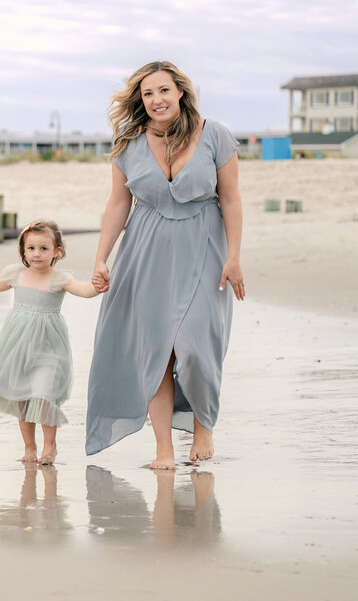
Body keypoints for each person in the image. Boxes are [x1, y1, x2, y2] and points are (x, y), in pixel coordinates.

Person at [85, 61, 245, 470]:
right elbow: (119, 204)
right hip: (145, 252)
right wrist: (101, 257)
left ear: (181, 92)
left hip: (204, 248)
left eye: (163, 91)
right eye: (148, 94)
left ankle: (202, 424)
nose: (157, 100)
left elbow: (230, 200)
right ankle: (164, 450)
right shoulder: (129, 142)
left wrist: (234, 257)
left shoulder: (216, 136)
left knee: (196, 346)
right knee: (157, 352)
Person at [0, 220, 100, 465]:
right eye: (31, 248)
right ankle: (29, 447)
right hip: (18, 347)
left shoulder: (60, 278)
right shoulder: (16, 274)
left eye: (43, 248)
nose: (36, 254)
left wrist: (99, 285)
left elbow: (85, 291)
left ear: (56, 252)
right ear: (23, 251)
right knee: (23, 397)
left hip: (50, 348)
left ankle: (50, 444)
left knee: (44, 395)